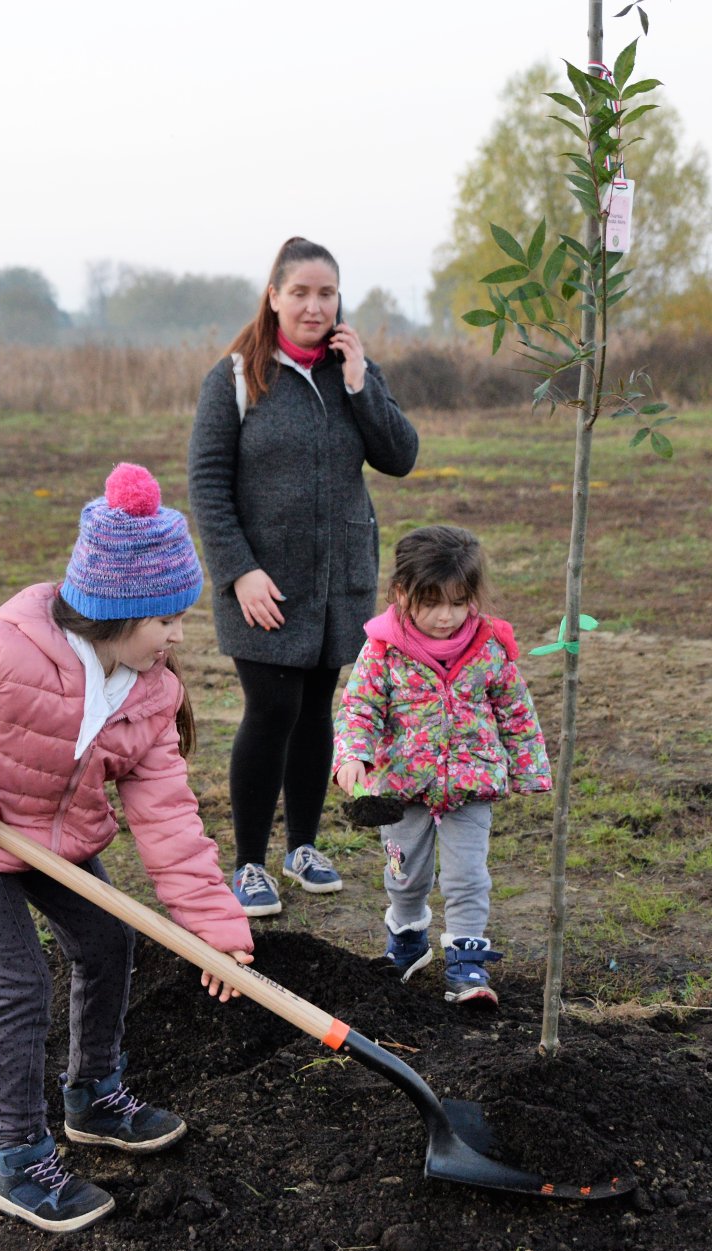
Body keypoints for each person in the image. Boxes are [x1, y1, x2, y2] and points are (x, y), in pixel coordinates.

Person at [0, 463, 253, 1234]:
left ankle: (95, 1096)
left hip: (58, 837)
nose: (181, 635)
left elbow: (170, 819)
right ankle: (20, 1160)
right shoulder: (0, 649)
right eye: (169, 619)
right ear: (119, 612)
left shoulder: (150, 692)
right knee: (17, 985)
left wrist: (215, 931)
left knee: (108, 943)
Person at [187, 236, 419, 918]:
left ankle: (305, 847)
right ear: (274, 297)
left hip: (338, 578)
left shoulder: (355, 373)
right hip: (263, 583)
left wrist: (359, 386)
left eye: (326, 293)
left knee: (319, 708)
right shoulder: (235, 376)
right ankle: (251, 863)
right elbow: (207, 483)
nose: (314, 305)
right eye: (301, 293)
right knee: (272, 710)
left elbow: (400, 456)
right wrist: (238, 573)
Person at [331, 525, 552, 1006]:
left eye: (458, 602)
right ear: (401, 594)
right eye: (431, 602)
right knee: (404, 873)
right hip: (401, 786)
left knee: (467, 875)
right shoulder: (382, 650)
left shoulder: (490, 645)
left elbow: (515, 708)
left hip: (470, 784)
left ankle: (467, 961)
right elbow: (359, 708)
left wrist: (529, 766)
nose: (446, 616)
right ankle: (408, 938)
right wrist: (353, 754)